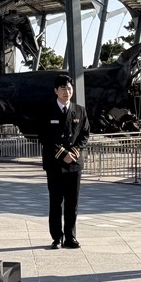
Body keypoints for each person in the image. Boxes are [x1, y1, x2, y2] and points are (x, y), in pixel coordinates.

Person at [38, 73, 89, 248]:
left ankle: (70, 236)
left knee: (72, 202)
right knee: (55, 201)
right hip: (54, 163)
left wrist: (74, 151)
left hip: (74, 163)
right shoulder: (46, 109)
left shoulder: (80, 110)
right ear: (56, 91)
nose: (66, 92)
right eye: (63, 89)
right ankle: (56, 237)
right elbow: (44, 137)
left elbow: (84, 134)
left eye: (69, 88)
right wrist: (62, 153)